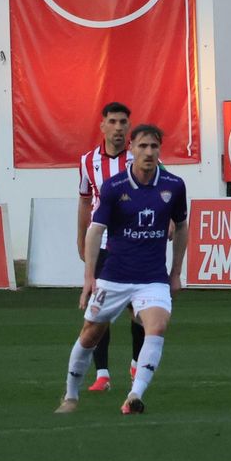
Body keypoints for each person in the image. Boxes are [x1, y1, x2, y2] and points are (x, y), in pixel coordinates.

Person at [56, 124, 188, 417]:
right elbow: (95, 231)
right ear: (132, 149)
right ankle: (71, 395)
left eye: (154, 147)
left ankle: (134, 395)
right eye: (143, 146)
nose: (149, 152)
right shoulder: (115, 187)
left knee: (157, 326)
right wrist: (89, 278)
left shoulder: (174, 186)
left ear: (160, 150)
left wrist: (175, 273)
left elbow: (181, 227)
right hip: (114, 277)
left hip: (152, 278)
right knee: (90, 334)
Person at [77, 101, 145, 392]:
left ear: (129, 126)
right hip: (104, 245)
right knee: (100, 310)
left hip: (136, 243)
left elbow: (161, 189)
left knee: (139, 310)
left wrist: (168, 221)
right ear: (102, 125)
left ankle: (136, 363)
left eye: (123, 122)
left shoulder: (140, 156)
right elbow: (84, 201)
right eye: (113, 122)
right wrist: (81, 238)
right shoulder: (87, 161)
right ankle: (102, 374)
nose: (118, 128)